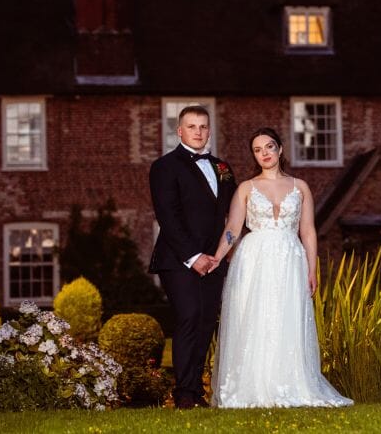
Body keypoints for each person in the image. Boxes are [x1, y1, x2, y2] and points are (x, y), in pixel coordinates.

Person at [207, 127, 353, 408]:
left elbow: (308, 231)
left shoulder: (300, 187)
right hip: (254, 259)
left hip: (289, 259)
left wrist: (312, 269)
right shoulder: (246, 188)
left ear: (280, 149)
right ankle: (252, 385)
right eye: (257, 149)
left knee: (287, 317)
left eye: (269, 146)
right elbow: (233, 228)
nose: (264, 153)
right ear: (254, 155)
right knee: (255, 318)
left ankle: (289, 383)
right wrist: (217, 256)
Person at [148, 105, 236, 409]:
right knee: (189, 316)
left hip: (215, 260)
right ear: (180, 131)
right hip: (178, 260)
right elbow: (167, 217)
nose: (198, 132)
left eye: (203, 126)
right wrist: (194, 256)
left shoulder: (222, 168)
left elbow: (235, 211)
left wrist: (221, 254)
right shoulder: (164, 167)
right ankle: (184, 393)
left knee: (206, 321)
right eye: (192, 126)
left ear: (209, 131)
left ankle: (197, 390)